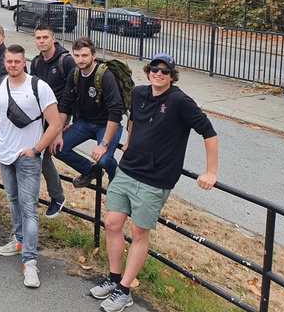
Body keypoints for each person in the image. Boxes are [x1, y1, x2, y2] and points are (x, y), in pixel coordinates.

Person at [90, 54, 219, 312]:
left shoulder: (180, 101)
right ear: (148, 71)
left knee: (139, 232)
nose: (159, 74)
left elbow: (209, 131)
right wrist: (128, 141)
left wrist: (211, 172)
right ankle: (114, 279)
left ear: (172, 75)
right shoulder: (139, 93)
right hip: (128, 170)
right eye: (155, 69)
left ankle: (125, 291)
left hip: (155, 178)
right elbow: (134, 120)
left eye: (165, 71)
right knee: (112, 223)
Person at [0, 45, 62, 288]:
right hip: (6, 154)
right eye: (8, 61)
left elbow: (54, 124)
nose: (12, 65)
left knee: (29, 209)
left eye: (16, 61)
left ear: (24, 62)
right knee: (13, 200)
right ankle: (19, 240)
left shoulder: (39, 87)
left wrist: (36, 150)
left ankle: (30, 262)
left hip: (28, 157)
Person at [54, 37, 124, 187]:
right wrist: (58, 132)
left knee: (104, 160)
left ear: (93, 55)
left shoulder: (106, 76)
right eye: (77, 55)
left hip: (106, 124)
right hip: (85, 123)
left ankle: (116, 179)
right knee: (57, 148)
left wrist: (104, 144)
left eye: (85, 55)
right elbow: (65, 103)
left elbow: (115, 111)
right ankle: (90, 170)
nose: (80, 60)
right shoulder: (74, 73)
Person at [30, 24, 76, 218]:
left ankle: (57, 196)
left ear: (54, 38)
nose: (41, 41)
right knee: (39, 154)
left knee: (44, 153)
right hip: (41, 117)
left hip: (60, 115)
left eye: (45, 37)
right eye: (38, 38)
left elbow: (71, 94)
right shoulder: (36, 62)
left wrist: (61, 125)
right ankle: (47, 196)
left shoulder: (66, 62)